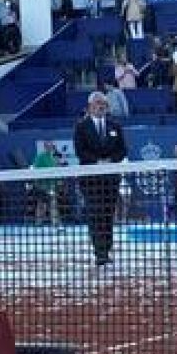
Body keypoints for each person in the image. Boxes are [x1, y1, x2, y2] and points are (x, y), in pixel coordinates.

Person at [72, 92, 127, 269]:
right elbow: (81, 152)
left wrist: (111, 161)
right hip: (91, 181)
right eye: (97, 104)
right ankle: (100, 253)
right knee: (95, 215)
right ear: (89, 107)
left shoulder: (115, 126)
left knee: (107, 215)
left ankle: (107, 249)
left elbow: (123, 150)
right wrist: (98, 162)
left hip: (111, 180)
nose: (101, 106)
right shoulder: (81, 127)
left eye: (104, 103)